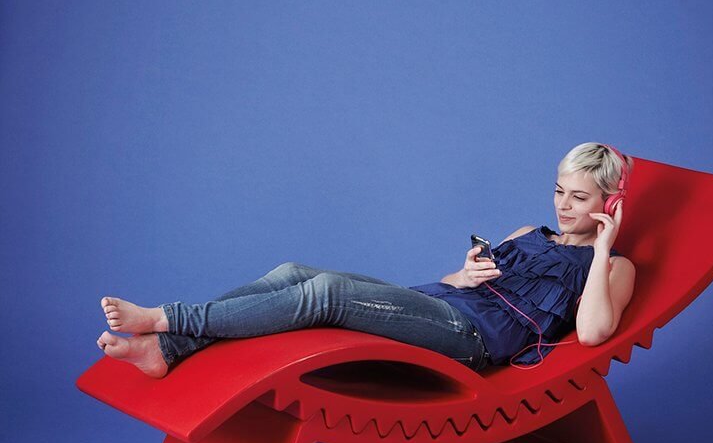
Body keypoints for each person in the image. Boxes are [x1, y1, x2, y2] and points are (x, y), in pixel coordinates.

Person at [96, 142, 636, 378]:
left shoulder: (614, 267)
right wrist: (466, 274)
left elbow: (593, 333)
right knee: (292, 273)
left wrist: (601, 246)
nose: (563, 206)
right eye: (559, 191)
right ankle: (167, 350)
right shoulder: (526, 234)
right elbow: (451, 283)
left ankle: (166, 319)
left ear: (609, 203)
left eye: (579, 197)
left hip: (471, 341)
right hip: (441, 305)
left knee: (325, 294)